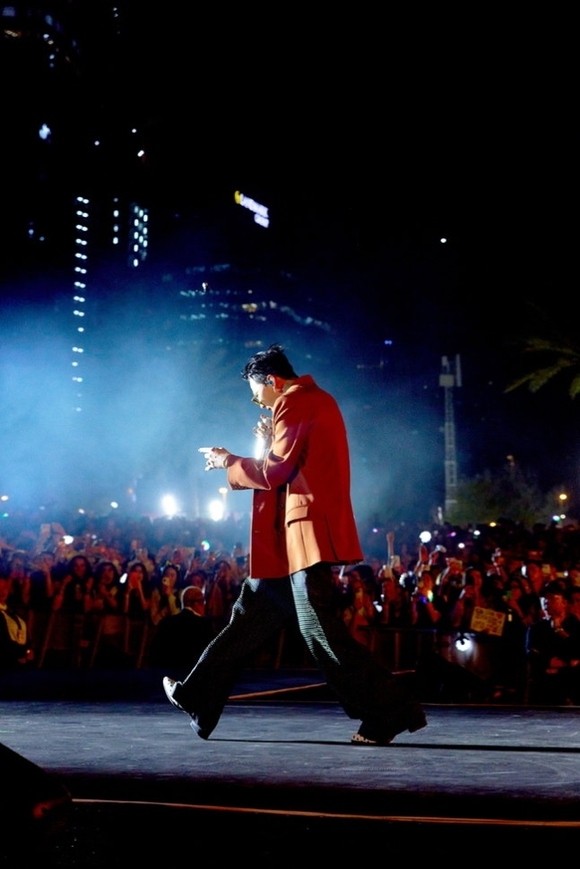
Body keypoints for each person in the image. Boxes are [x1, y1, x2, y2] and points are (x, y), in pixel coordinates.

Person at [163, 343, 427, 745]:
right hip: (292, 539)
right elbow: (291, 465)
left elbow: (276, 471)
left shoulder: (295, 400)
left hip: (303, 536)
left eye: (256, 390)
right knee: (250, 620)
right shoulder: (308, 401)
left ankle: (390, 710)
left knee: (320, 632)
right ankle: (198, 695)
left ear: (272, 380)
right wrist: (270, 439)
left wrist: (227, 461)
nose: (255, 399)